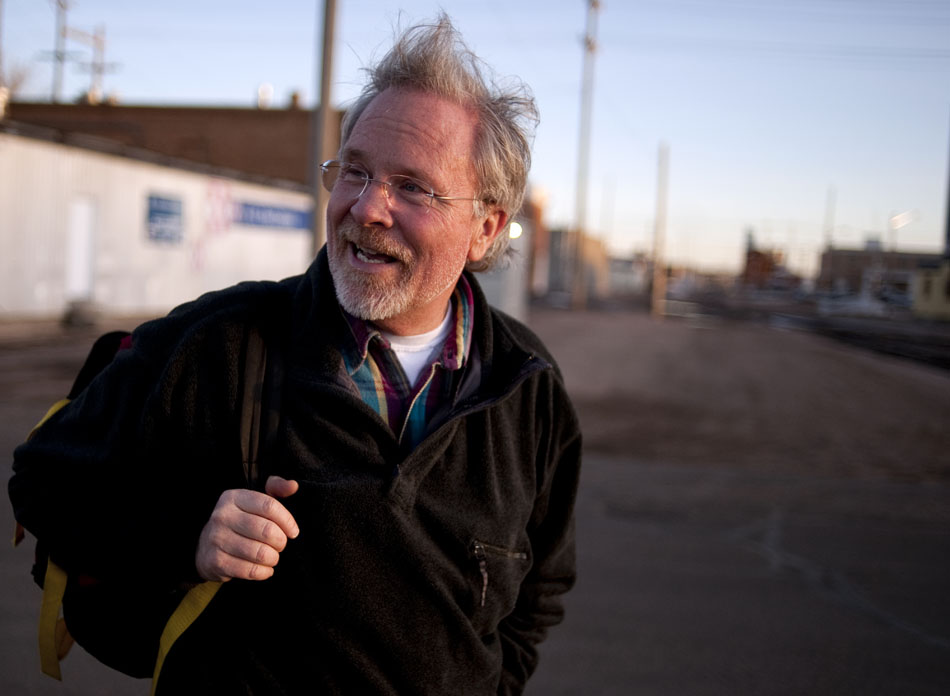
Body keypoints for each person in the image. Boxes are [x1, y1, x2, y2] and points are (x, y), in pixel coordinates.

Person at [10, 14, 581, 696]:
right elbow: (43, 481)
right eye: (355, 172)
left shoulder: (527, 386)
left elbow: (538, 594)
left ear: (485, 228)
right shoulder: (219, 342)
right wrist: (186, 538)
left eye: (413, 187)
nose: (367, 207)